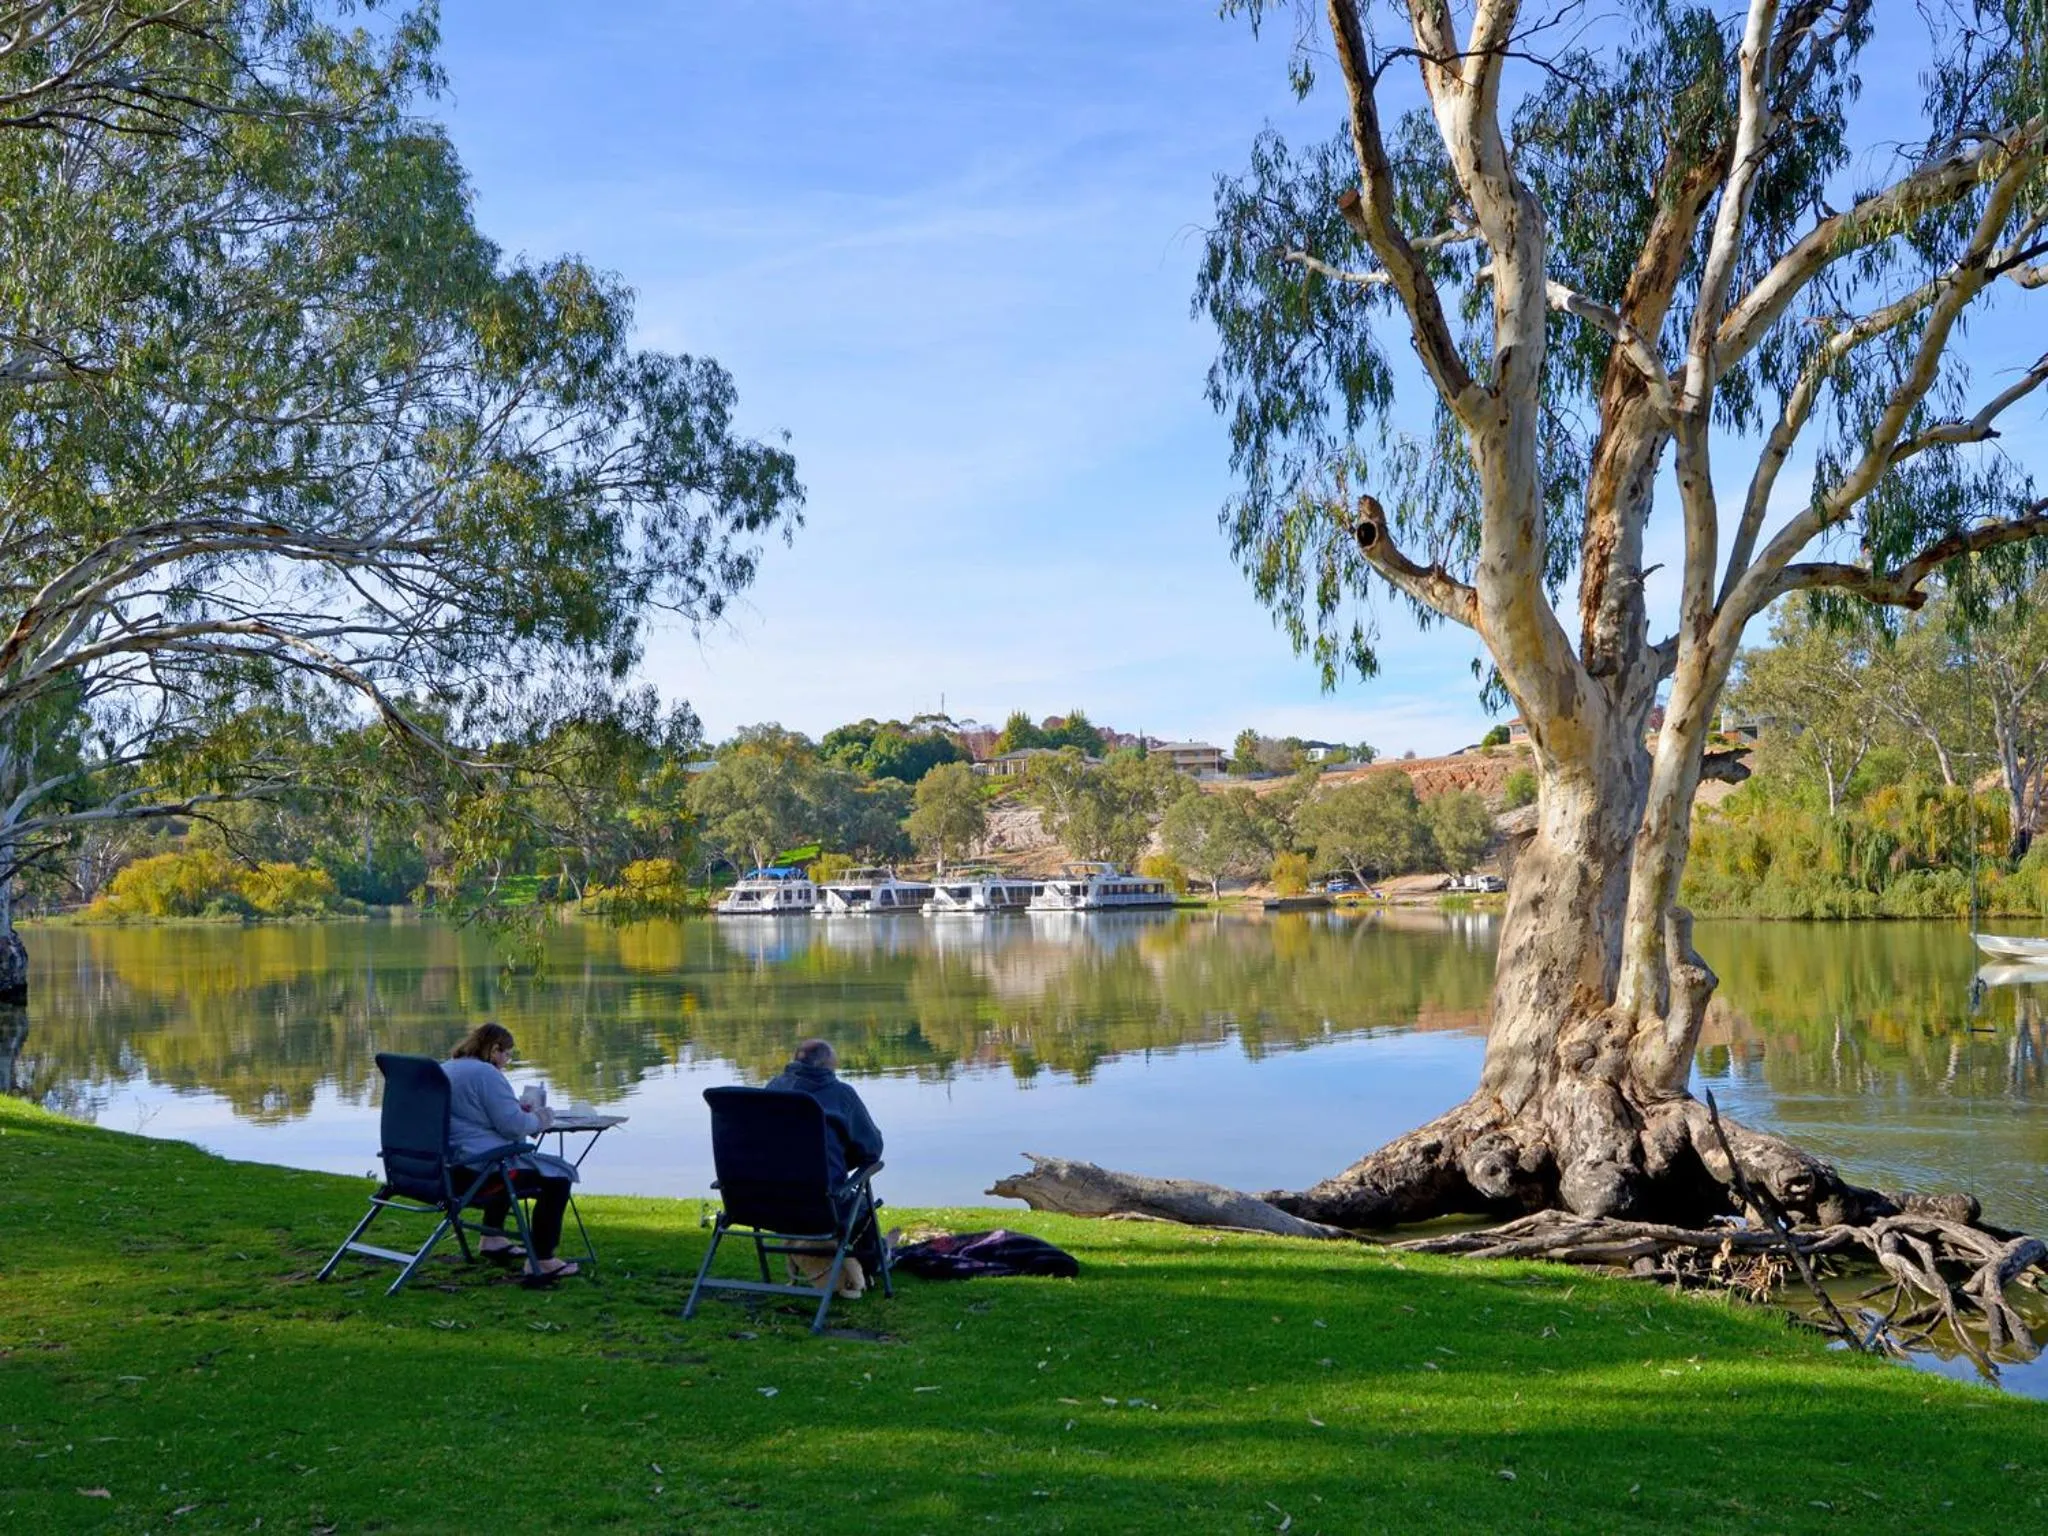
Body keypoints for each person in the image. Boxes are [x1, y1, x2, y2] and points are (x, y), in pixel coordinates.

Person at [443, 1022, 581, 1281]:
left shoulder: (446, 1069)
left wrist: (514, 1112)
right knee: (558, 1178)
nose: (507, 1060)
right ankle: (542, 1259)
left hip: (447, 1170)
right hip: (476, 1174)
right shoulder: (486, 1074)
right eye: (507, 1054)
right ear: (495, 1050)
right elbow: (513, 1126)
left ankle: (492, 1237)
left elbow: (474, 1117)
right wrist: (542, 1118)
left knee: (508, 1159)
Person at [766, 1038, 886, 1285]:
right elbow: (871, 1150)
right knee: (858, 1204)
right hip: (822, 1206)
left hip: (763, 1206)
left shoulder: (771, 1089)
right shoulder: (841, 1094)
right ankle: (874, 1262)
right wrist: (842, 1161)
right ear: (829, 1065)